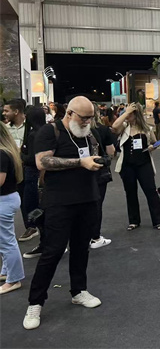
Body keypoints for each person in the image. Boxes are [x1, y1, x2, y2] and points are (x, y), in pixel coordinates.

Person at [24, 96, 106, 330]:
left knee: (81, 248)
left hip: (87, 199)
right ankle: (35, 302)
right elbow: (43, 162)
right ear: (69, 113)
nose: (87, 121)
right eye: (84, 117)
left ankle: (79, 290)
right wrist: (80, 162)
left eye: (91, 117)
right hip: (59, 202)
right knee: (53, 251)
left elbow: (94, 156)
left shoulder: (90, 133)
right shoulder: (51, 132)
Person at [112, 103, 160, 231]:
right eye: (127, 113)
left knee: (150, 191)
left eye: (130, 113)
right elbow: (114, 126)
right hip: (127, 166)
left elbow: (154, 142)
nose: (127, 116)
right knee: (130, 193)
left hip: (144, 164)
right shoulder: (124, 127)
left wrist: (152, 147)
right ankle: (134, 220)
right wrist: (125, 112)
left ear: (136, 114)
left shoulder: (146, 129)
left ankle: (158, 220)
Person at [3, 99, 34, 241]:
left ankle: (33, 225)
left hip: (28, 166)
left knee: (29, 198)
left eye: (6, 110)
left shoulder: (30, 127)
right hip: (11, 168)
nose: (4, 113)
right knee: (18, 196)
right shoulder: (5, 129)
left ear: (16, 112)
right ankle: (28, 226)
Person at [0, 121, 25, 295]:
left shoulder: (2, 154)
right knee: (5, 240)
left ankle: (14, 279)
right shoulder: (8, 151)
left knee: (6, 242)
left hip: (4, 200)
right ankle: (7, 271)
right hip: (8, 198)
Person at [20, 107, 46, 258]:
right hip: (43, 176)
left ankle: (44, 241)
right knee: (42, 208)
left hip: (32, 175)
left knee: (32, 207)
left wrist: (21, 155)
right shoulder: (46, 131)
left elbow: (32, 159)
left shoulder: (32, 135)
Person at [89, 104, 115, 248]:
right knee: (97, 205)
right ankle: (95, 237)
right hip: (99, 172)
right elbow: (111, 152)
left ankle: (83, 235)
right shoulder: (102, 130)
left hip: (80, 174)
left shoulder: (71, 132)